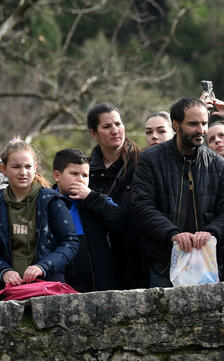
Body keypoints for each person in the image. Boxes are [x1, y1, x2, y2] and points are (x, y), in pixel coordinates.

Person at [132, 97, 224, 287]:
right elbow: (142, 206)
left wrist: (211, 233)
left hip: (207, 262)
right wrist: (172, 234)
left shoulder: (219, 165)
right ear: (176, 125)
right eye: (193, 124)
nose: (201, 130)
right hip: (163, 262)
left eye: (204, 123)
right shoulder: (150, 159)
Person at [0, 140, 79, 286]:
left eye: (28, 166)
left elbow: (70, 242)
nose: (23, 172)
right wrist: (4, 270)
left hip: (47, 285)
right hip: (6, 288)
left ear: (35, 167)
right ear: (3, 169)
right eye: (16, 167)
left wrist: (43, 267)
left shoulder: (51, 201)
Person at [86, 102, 146, 288]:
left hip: (140, 260)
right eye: (107, 126)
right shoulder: (84, 171)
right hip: (101, 262)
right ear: (94, 133)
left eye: (118, 124)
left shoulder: (144, 164)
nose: (115, 130)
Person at [52, 149, 125, 292]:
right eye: (74, 174)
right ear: (57, 176)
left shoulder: (97, 200)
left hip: (100, 285)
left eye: (85, 175)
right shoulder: (47, 203)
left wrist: (91, 197)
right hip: (62, 286)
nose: (80, 179)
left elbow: (121, 220)